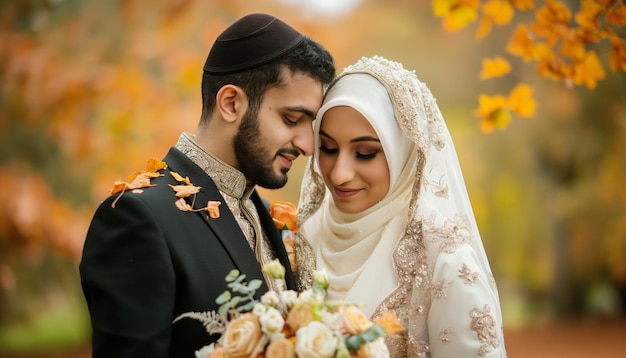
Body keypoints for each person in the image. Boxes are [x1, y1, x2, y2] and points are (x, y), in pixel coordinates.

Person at [79, 13, 335, 358]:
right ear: (231, 103)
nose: (306, 144)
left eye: (311, 126)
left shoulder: (268, 218)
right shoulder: (137, 217)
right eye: (291, 119)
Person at [296, 56, 507, 357]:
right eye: (328, 148)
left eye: (366, 153)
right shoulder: (301, 235)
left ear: (406, 152)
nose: (339, 173)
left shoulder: (443, 262)